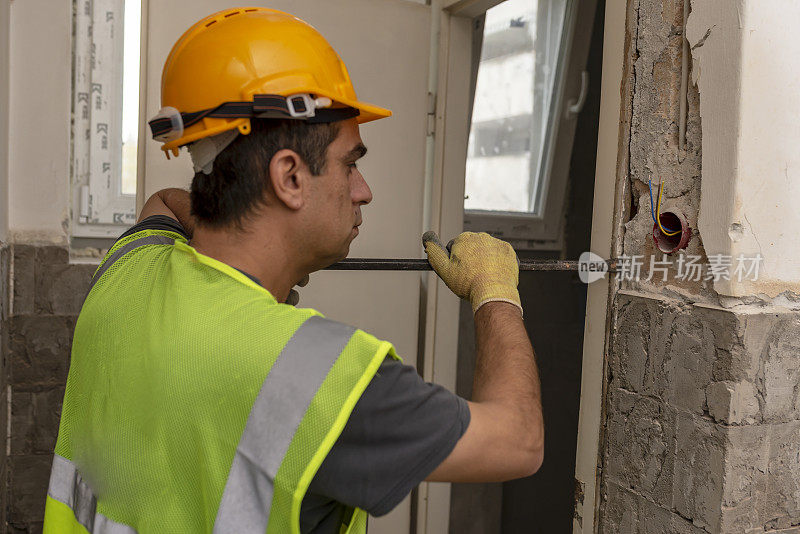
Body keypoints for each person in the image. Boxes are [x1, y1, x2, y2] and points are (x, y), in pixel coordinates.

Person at [43, 7, 543, 534]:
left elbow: (163, 203)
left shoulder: (128, 270)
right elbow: (519, 441)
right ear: (289, 177)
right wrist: (495, 289)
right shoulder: (313, 377)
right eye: (350, 163)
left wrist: (262, 266)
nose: (363, 190)